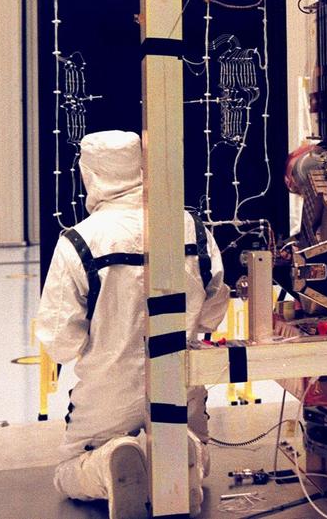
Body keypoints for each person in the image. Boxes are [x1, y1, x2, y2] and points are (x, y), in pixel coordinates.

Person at [36, 131, 228, 519]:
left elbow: (60, 341)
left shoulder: (79, 241)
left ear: (90, 174)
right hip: (181, 382)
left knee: (69, 471)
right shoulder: (192, 227)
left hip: (109, 388)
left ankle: (109, 463)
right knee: (194, 441)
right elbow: (213, 312)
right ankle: (186, 451)